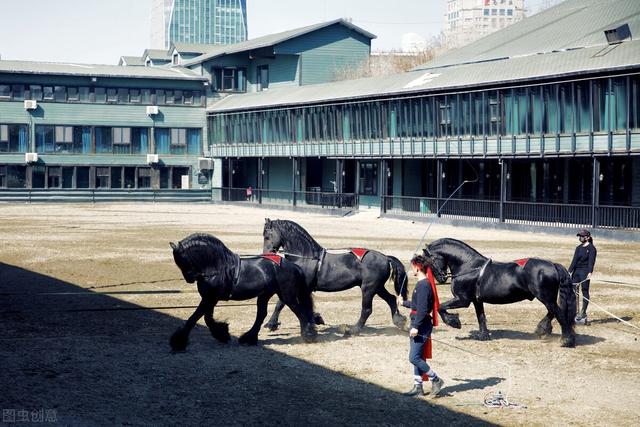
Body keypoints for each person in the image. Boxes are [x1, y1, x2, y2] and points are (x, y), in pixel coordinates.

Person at [397, 254, 445, 398]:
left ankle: (436, 379)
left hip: (421, 325)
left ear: (418, 267)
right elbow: (417, 305)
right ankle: (418, 387)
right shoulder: (422, 285)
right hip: (419, 323)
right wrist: (403, 302)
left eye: (412, 267)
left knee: (414, 358)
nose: (411, 271)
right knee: (418, 357)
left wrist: (415, 326)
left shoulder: (423, 285)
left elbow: (423, 310)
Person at [568, 229, 597, 325]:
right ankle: (574, 312)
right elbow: (574, 261)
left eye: (582, 236)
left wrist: (590, 272)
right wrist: (569, 272)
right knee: (574, 292)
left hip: (584, 272)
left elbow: (591, 262)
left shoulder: (592, 248)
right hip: (576, 272)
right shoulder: (578, 248)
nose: (580, 237)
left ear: (587, 237)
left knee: (584, 291)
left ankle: (583, 312)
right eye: (579, 236)